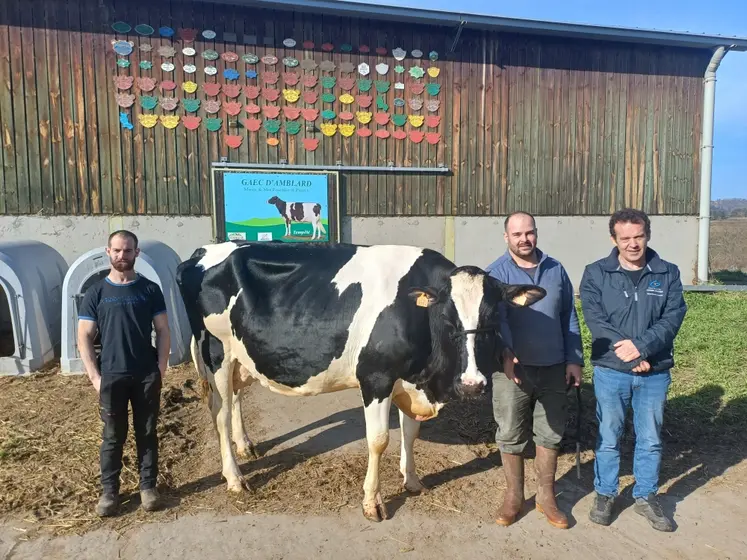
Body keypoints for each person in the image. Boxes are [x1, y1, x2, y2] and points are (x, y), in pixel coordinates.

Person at [579, 208, 687, 532]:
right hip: (611, 370)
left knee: (650, 437)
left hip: (654, 372)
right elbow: (595, 319)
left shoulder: (667, 273)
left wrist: (643, 347)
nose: (632, 244)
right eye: (625, 238)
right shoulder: (595, 273)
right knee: (609, 435)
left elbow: (672, 318)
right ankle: (605, 493)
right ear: (614, 239)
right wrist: (628, 352)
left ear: (648, 235)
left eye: (638, 236)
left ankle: (646, 496)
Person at [485, 211, 584, 529]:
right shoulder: (494, 275)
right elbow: (491, 323)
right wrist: (504, 354)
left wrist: (574, 359)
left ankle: (546, 497)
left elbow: (568, 315)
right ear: (506, 238)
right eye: (517, 235)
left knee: (550, 433)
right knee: (511, 434)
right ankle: (514, 497)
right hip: (513, 372)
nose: (524, 239)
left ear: (536, 233)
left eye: (529, 233)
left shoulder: (556, 270)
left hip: (554, 366)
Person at [77, 230, 171, 517]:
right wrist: (95, 376)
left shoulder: (149, 289)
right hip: (112, 376)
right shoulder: (97, 293)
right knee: (112, 436)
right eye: (116, 250)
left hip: (145, 375)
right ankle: (109, 493)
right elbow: (84, 335)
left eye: (127, 251)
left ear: (136, 253)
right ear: (108, 252)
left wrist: (161, 367)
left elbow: (163, 330)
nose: (122, 256)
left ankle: (147, 488)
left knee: (146, 432)